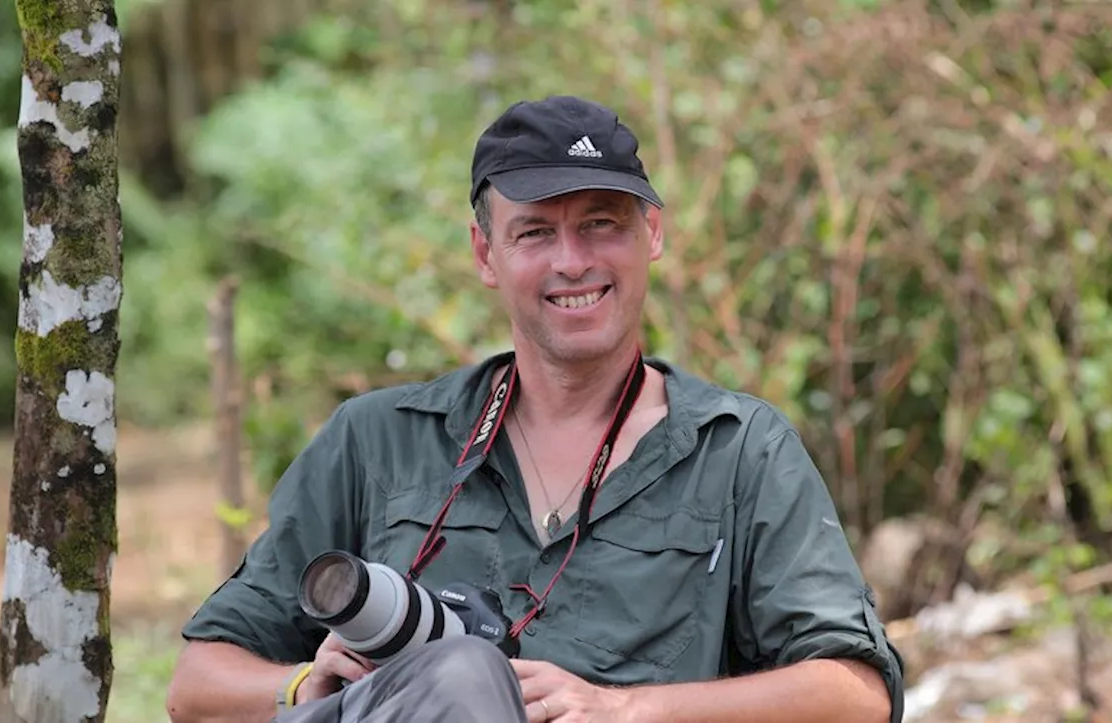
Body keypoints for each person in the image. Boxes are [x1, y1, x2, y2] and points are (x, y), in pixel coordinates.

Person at [165, 95, 904, 723]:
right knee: (456, 674)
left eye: (601, 223)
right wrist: (306, 683)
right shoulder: (377, 442)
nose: (572, 260)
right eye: (536, 232)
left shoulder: (739, 450)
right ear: (486, 253)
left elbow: (858, 691)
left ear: (652, 233)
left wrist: (624, 706)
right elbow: (198, 684)